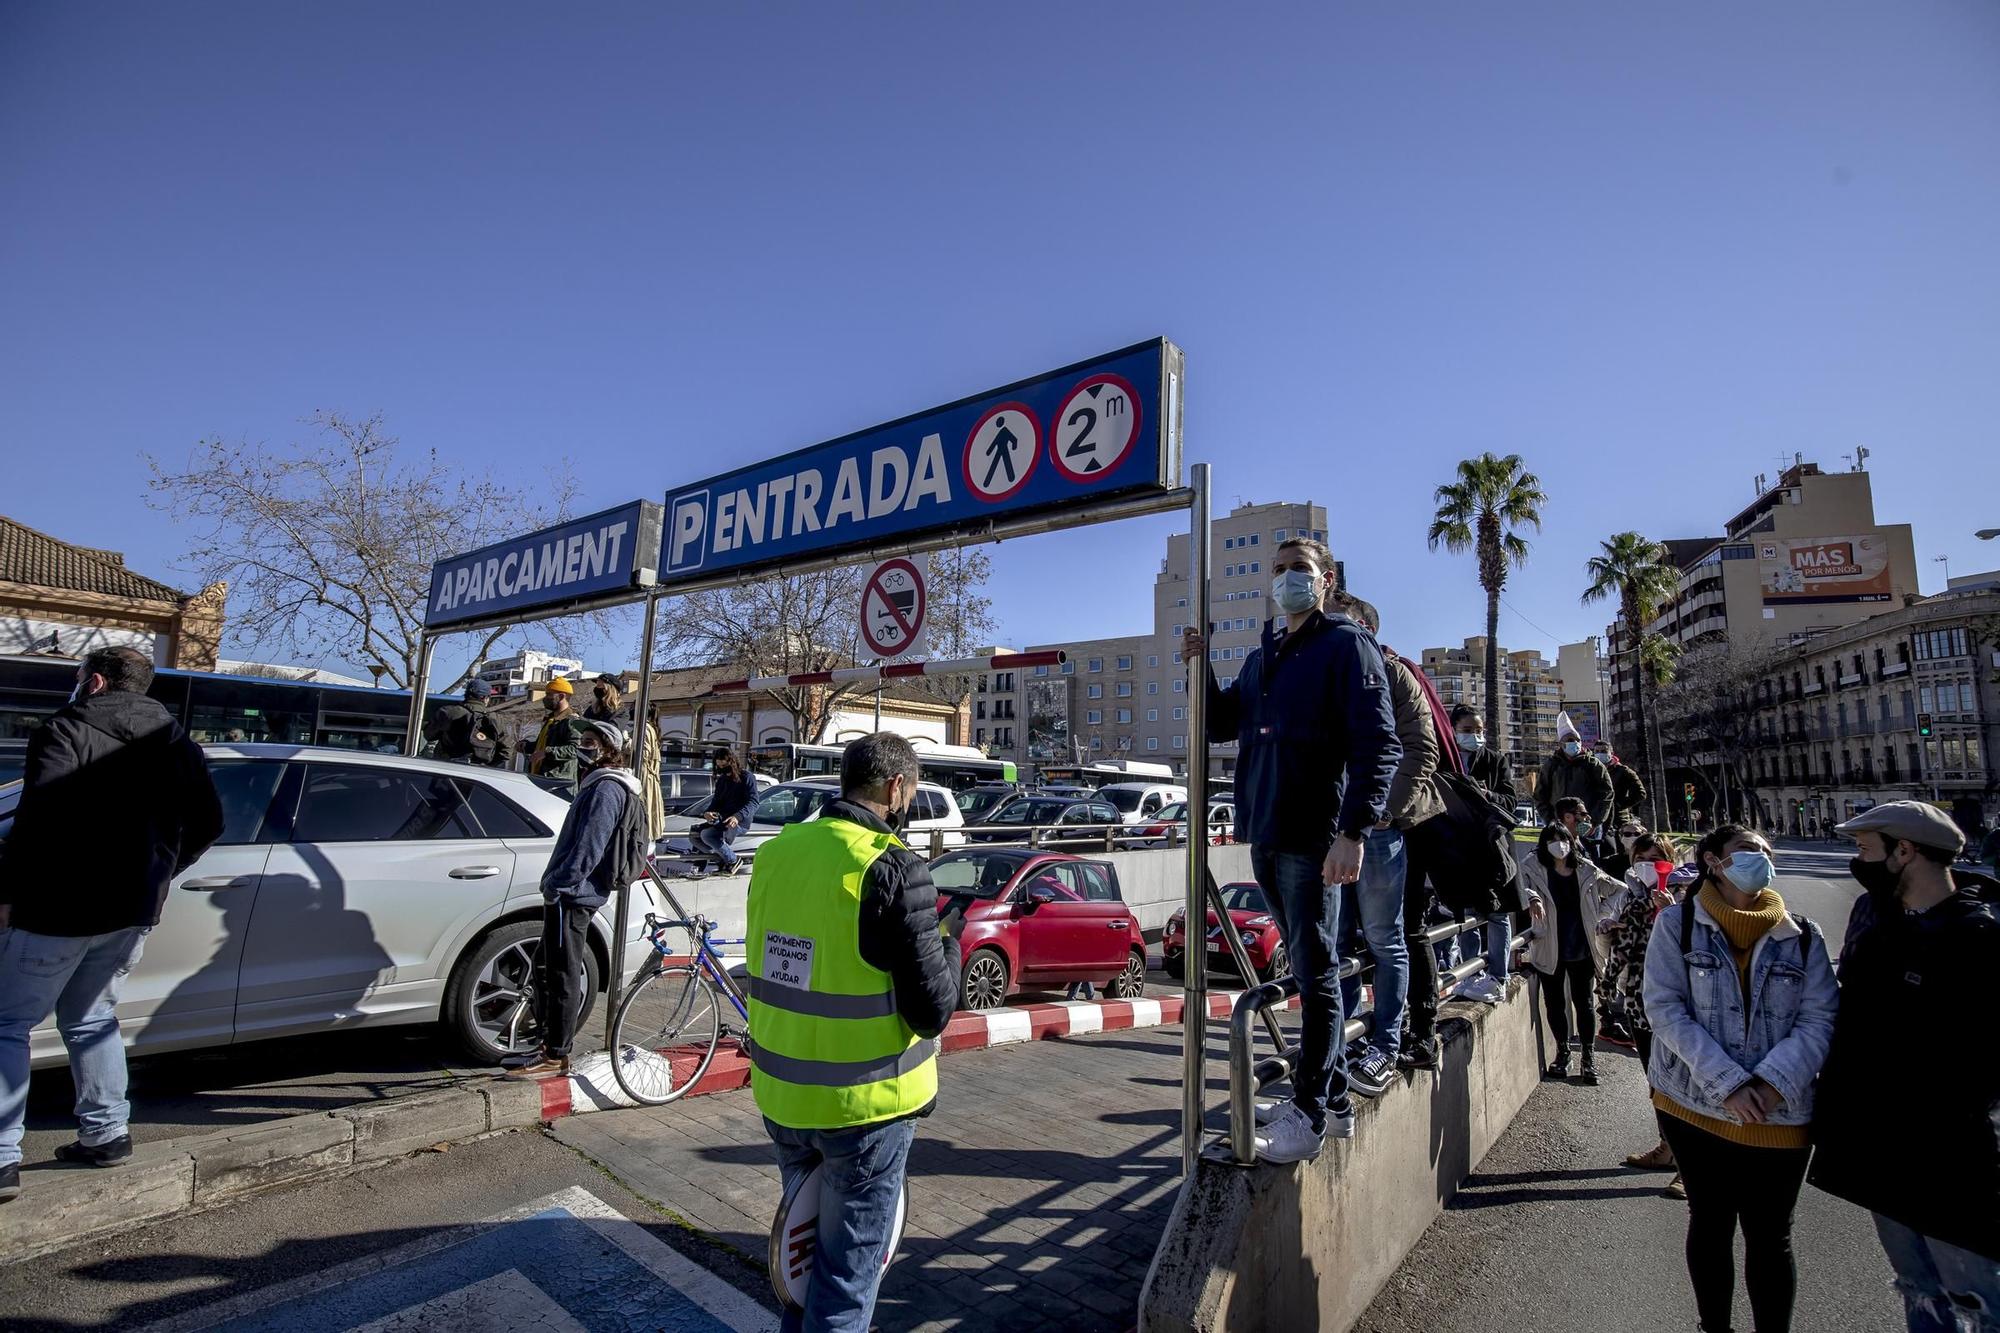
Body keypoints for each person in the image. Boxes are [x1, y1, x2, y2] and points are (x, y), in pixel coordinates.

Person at [1184, 535, 1399, 1163]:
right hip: (1266, 830)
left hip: (1314, 836)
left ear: (1326, 578)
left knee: (1316, 969)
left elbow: (1378, 746)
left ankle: (1307, 1113)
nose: (1286, 580)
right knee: (1309, 967)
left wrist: (1353, 832)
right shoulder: (1265, 656)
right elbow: (1223, 722)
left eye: (1298, 570)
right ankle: (1331, 1103)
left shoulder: (1345, 645)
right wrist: (1201, 665)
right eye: (1278, 571)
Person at [747, 733, 959, 1333]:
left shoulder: (779, 851)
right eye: (912, 789)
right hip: (866, 1109)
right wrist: (947, 943)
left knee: (806, 1273)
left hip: (783, 1098)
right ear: (896, 788)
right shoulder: (893, 867)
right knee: (845, 1282)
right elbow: (932, 1011)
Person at [0, 646, 224, 1203]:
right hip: (131, 909)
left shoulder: (65, 729)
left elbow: (39, 818)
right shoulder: (178, 743)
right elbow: (209, 822)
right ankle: (106, 1133)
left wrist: (7, 891)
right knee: (93, 1016)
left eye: (79, 678)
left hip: (57, 906)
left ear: (94, 681)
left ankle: (3, 1157)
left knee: (9, 1024)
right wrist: (160, 872)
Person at [1812, 802, 1999, 1331]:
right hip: (1881, 1146)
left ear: (1905, 851)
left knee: (1977, 1298)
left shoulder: (1979, 935)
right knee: (1916, 1289)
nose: (1858, 861)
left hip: (1952, 1153)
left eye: (1866, 850)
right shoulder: (1873, 918)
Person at [1643, 825, 1837, 1333]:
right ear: (1713, 861)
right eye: (1748, 850)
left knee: (1771, 1236)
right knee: (1710, 1224)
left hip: (1781, 1114)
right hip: (1695, 1108)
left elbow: (1820, 1019)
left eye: (1766, 852)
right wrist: (1727, 1083)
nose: (1761, 859)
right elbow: (1665, 1010)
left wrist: (1773, 1085)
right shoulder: (1677, 925)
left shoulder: (1804, 936)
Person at [1328, 593, 1440, 1093]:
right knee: (1338, 941)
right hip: (1330, 830)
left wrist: (1382, 813)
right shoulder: (1325, 677)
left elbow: (1421, 749)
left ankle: (1384, 1046)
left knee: (1384, 938)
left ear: (1368, 630)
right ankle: (1346, 1040)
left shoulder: (1396, 676)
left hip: (1377, 832)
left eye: (1345, 626)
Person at [505, 718, 647, 1080]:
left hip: (574, 896)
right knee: (544, 968)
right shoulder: (599, 785)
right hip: (571, 894)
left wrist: (560, 884)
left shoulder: (606, 790)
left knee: (562, 974)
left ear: (608, 750)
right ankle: (548, 1044)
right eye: (582, 739)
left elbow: (590, 846)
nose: (583, 747)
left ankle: (556, 1054)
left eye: (590, 741)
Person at [1520, 820, 1621, 1085]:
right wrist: (1533, 897)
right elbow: (1518, 884)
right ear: (1544, 844)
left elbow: (1619, 890)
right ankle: (1563, 1052)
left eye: (1563, 839)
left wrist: (1602, 915)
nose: (1559, 845)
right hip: (1549, 945)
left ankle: (1588, 1056)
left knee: (1584, 1003)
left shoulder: (1587, 869)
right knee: (1554, 1003)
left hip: (1582, 946)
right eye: (1552, 840)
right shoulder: (1533, 867)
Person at [1448, 704, 1519, 1009]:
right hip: (1459, 846)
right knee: (1465, 916)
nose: (1474, 736)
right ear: (1453, 729)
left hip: (1492, 845)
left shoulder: (1495, 760)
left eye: (1478, 731)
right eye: (1467, 731)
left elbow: (1510, 800)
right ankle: (1468, 974)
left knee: (1497, 913)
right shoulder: (1445, 758)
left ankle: (1498, 977)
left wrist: (1486, 794)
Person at [1536, 714, 1613, 852]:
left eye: (1576, 740)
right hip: (1559, 827)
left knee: (1590, 861)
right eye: (1569, 740)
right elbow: (1540, 796)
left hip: (1587, 826)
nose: (1574, 743)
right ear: (1561, 744)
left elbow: (1606, 794)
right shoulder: (1551, 766)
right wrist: (1550, 821)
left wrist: (1595, 820)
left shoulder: (1593, 764)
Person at [424, 677, 514, 768]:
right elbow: (507, 751)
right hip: (476, 774)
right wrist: (487, 766)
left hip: (446, 768)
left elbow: (428, 735)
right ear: (485, 698)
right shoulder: (496, 719)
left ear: (466, 694)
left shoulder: (448, 712)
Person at [696, 749, 758, 875]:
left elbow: (754, 802)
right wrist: (708, 813)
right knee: (695, 834)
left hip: (739, 822)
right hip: (722, 819)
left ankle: (732, 860)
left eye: (724, 766)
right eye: (718, 766)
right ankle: (722, 858)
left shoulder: (747, 777)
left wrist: (737, 817)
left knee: (707, 835)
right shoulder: (722, 780)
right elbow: (716, 802)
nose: (721, 769)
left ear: (732, 762)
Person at [528, 676, 584, 786]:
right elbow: (543, 746)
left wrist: (547, 752)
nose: (545, 698)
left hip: (559, 783)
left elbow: (575, 749)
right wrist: (526, 746)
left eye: (549, 695)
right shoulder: (551, 720)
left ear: (561, 696)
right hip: (541, 778)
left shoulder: (572, 721)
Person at [1595, 740, 1649, 825]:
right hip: (1596, 819)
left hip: (1618, 819)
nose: (1600, 754)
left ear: (1611, 753)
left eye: (1603, 751)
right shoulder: (1591, 770)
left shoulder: (1623, 771)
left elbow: (1641, 793)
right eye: (1597, 751)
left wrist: (1619, 805)